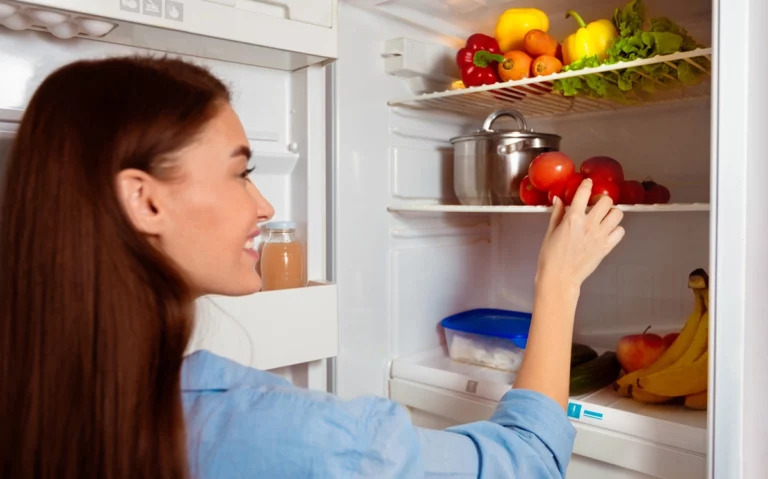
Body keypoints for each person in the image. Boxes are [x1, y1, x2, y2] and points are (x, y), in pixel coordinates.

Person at [0, 57, 624, 479]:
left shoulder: (33, 398)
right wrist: (559, 281)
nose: (264, 205)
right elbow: (527, 461)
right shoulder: (296, 436)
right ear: (144, 200)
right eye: (241, 172)